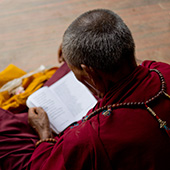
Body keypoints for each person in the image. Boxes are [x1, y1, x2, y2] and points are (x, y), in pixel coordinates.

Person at [0, 9, 170, 170]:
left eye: (78, 74)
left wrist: (44, 133)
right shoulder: (162, 70)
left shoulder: (90, 137)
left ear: (89, 71)